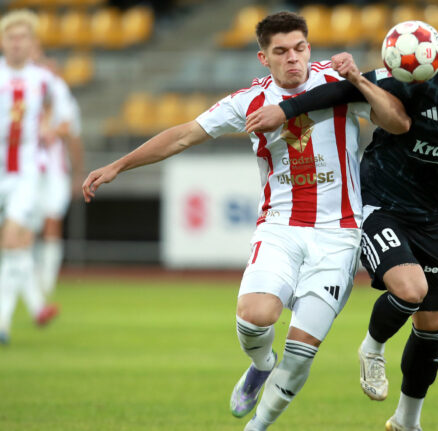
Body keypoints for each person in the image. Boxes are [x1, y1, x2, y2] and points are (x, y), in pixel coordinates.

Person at [81, 11, 410, 430]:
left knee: (302, 350)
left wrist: (361, 81)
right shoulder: (248, 101)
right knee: (255, 316)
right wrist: (118, 165)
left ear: (309, 47)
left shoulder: (338, 84)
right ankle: (260, 364)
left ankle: (256, 426)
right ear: (263, 58)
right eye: (281, 52)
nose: (293, 58)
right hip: (280, 226)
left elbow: (398, 122)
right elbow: (184, 134)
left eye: (300, 48)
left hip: (339, 233)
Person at [246, 11, 438, 430]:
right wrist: (286, 110)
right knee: (412, 289)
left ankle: (407, 421)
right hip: (378, 205)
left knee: (434, 327)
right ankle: (372, 349)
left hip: (428, 218)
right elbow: (337, 93)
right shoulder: (413, 73)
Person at [0, 9, 60, 345]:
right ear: (3, 41)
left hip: (25, 173)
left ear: (32, 43)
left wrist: (50, 126)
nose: (17, 43)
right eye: (12, 37)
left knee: (13, 238)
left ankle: (4, 322)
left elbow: (59, 113)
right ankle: (36, 306)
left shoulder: (44, 79)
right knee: (15, 247)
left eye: (24, 37)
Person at [34, 55, 84, 299]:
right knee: (24, 225)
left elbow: (72, 134)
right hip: (24, 170)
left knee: (51, 221)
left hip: (54, 169)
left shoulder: (62, 99)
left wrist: (78, 172)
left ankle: (46, 281)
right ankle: (30, 279)